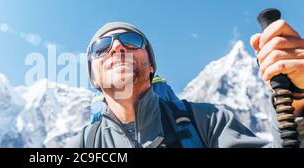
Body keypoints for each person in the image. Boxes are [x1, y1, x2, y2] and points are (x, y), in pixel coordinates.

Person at [67, 20, 304, 148]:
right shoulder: (80, 146)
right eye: (101, 48)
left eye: (131, 41)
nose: (117, 47)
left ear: (151, 66)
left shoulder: (209, 122)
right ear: (94, 79)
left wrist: (296, 101)